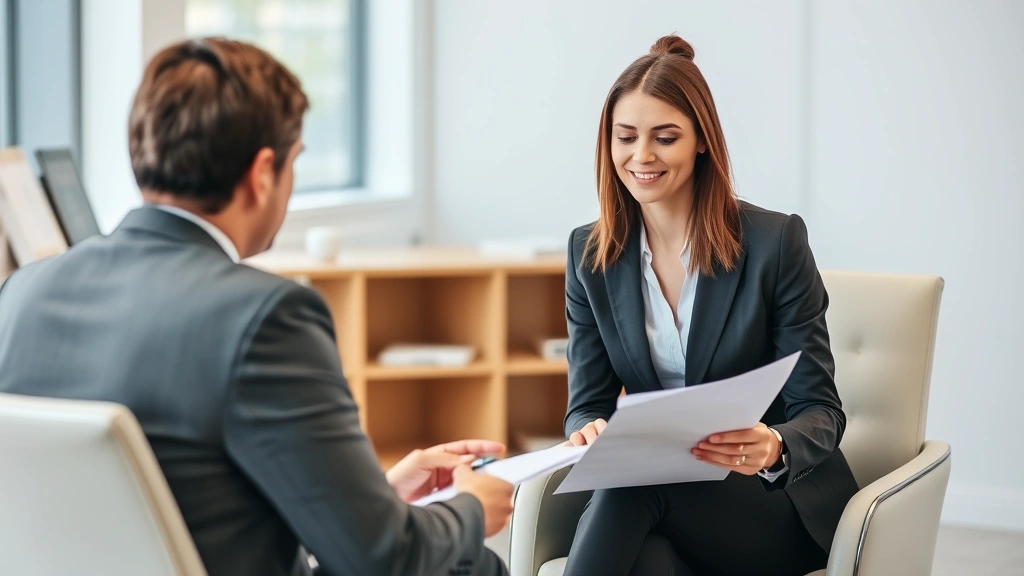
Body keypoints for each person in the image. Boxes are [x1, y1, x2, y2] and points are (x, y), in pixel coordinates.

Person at [0, 38, 512, 576]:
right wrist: (472, 507)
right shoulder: (266, 316)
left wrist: (372, 499)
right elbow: (383, 557)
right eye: (295, 165)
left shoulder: (21, 293)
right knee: (470, 562)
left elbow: (177, 497)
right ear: (263, 172)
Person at [561, 35, 859, 576]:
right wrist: (588, 428)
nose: (641, 156)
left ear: (701, 140)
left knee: (634, 488)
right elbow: (587, 403)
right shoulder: (590, 255)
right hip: (662, 499)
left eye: (665, 137)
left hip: (769, 502)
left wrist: (773, 445)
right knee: (649, 559)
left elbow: (821, 410)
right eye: (625, 137)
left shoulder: (775, 243)